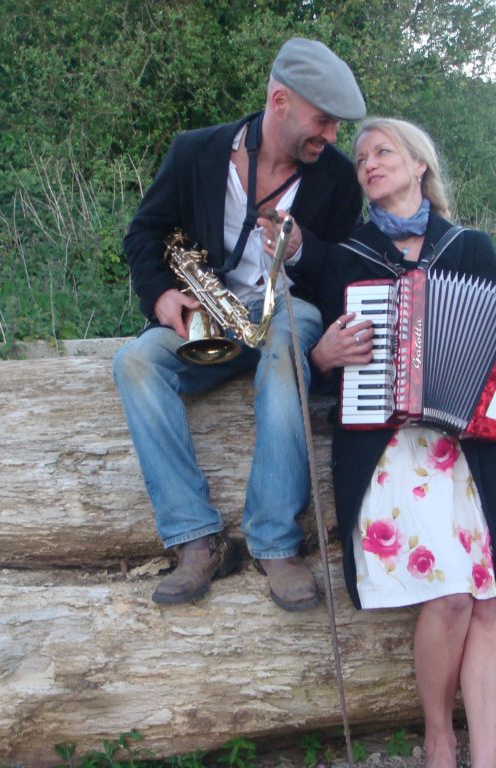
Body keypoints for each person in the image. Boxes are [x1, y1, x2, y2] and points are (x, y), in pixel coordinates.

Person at [298, 118, 496, 767]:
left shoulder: (469, 248)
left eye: (383, 151)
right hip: (392, 452)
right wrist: (322, 354)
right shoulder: (348, 257)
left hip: (473, 450)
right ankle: (437, 736)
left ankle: (483, 760)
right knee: (451, 597)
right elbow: (316, 370)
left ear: (419, 163)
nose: (368, 162)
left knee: (487, 602)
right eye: (361, 156)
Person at [113, 38, 366, 611]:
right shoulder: (195, 152)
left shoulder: (337, 180)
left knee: (283, 352)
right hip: (214, 318)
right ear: (280, 101)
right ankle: (197, 539)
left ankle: (275, 543)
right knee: (133, 361)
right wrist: (160, 297)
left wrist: (302, 251)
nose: (331, 137)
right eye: (322, 121)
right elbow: (142, 234)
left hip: (288, 312)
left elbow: (345, 274)